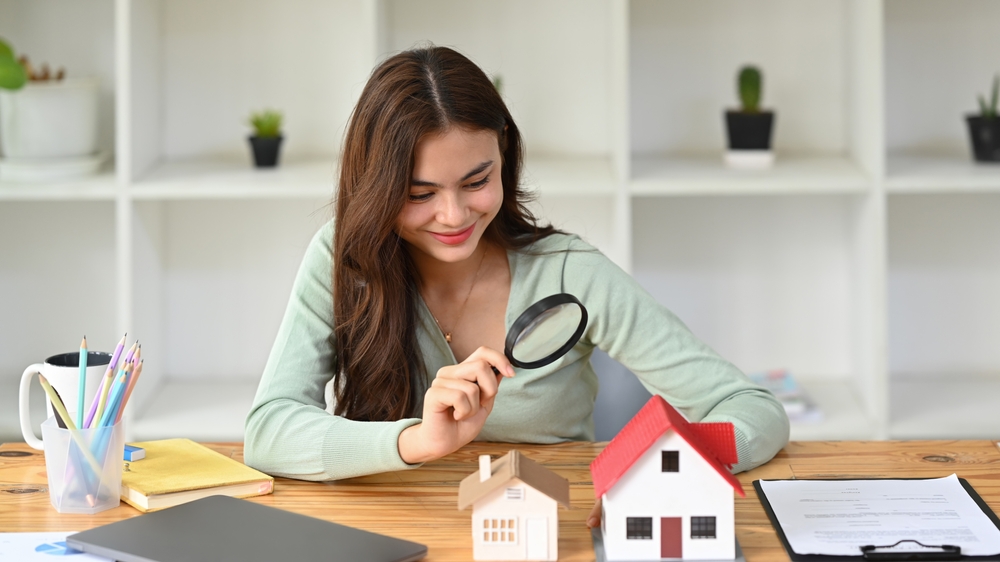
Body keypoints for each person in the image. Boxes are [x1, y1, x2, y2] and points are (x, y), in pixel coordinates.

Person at [244, 46, 789, 526]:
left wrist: (661, 468)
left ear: (505, 149)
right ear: (377, 186)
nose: (453, 215)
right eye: (419, 193)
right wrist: (418, 441)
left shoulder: (571, 271)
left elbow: (752, 409)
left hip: (550, 534)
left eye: (477, 181)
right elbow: (269, 431)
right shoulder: (343, 258)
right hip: (390, 528)